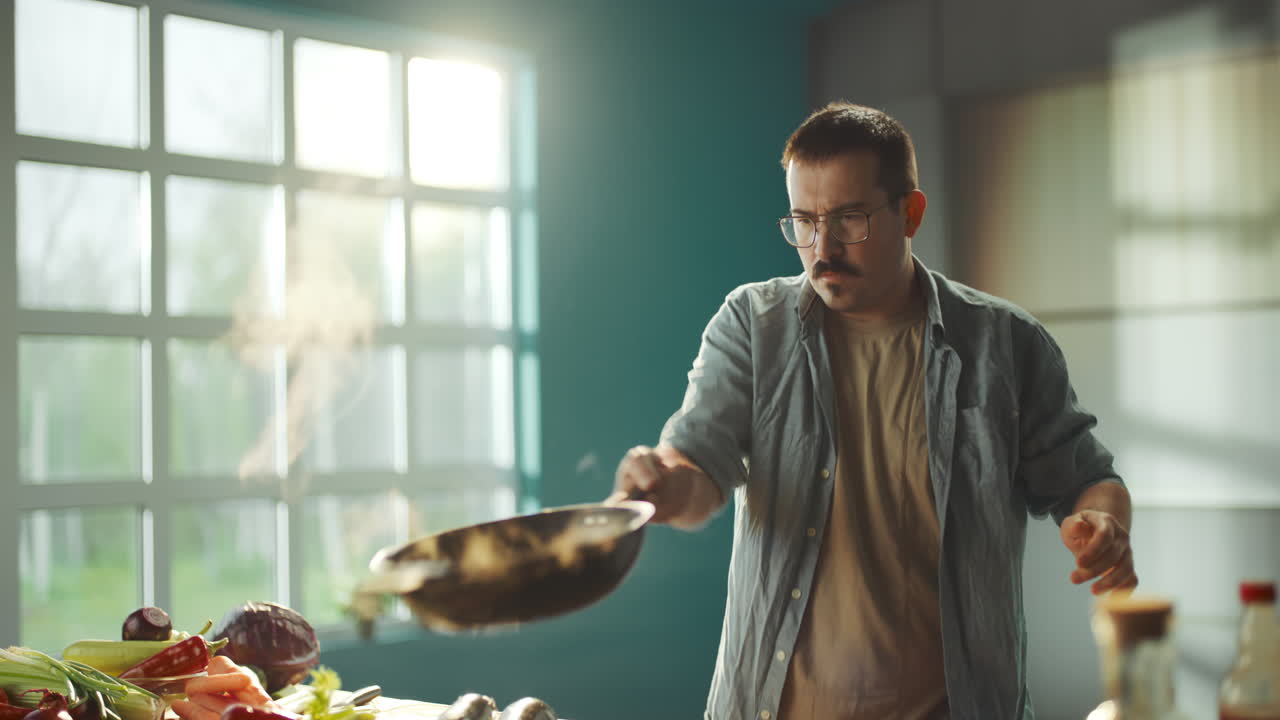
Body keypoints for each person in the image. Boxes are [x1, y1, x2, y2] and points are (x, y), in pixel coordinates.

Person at [612, 102, 1137, 720]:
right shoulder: (754, 327)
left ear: (910, 212)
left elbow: (1088, 481)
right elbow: (699, 473)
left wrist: (1103, 526)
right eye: (803, 222)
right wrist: (663, 484)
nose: (821, 248)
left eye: (849, 219)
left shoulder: (1006, 345)